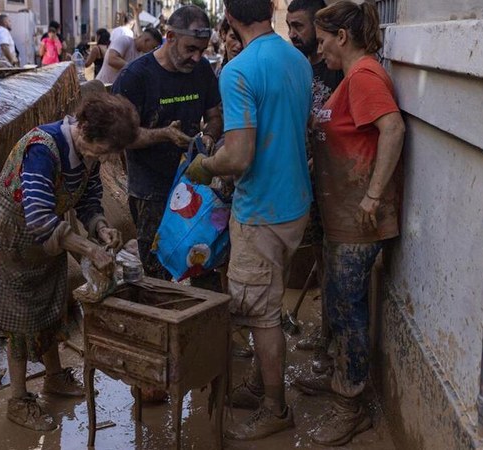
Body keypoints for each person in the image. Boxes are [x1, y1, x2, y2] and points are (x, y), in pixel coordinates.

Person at [184, 0, 313, 440]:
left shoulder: (238, 71)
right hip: (295, 202)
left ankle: (276, 407)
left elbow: (238, 155)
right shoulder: (296, 57)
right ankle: (261, 384)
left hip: (261, 209)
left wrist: (206, 165)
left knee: (261, 314)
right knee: (266, 300)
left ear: (231, 18)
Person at [0, 92, 142, 431]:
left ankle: (54, 377)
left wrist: (100, 227)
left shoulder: (88, 154)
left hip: (48, 236)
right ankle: (19, 399)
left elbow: (89, 199)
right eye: (105, 149)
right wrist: (88, 249)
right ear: (84, 128)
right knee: (20, 317)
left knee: (51, 304)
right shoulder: (43, 148)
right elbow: (38, 215)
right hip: (12, 235)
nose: (106, 157)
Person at [292, 1, 405, 446]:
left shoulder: (362, 77)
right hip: (343, 216)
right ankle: (342, 377)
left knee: (349, 310)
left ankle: (350, 405)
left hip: (360, 218)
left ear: (342, 37)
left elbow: (392, 129)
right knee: (340, 302)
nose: (319, 50)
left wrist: (374, 195)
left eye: (322, 40)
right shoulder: (352, 77)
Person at [112, 5, 222, 285]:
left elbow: (214, 115)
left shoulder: (202, 72)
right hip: (151, 191)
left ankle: (203, 323)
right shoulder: (135, 76)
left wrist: (208, 135)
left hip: (194, 184)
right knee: (158, 270)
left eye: (202, 49)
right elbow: (119, 137)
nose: (196, 57)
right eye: (190, 49)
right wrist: (164, 135)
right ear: (169, 36)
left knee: (203, 263)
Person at [286, 0, 345, 375]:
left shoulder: (338, 70)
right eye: (289, 26)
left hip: (336, 184)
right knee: (321, 259)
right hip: (310, 181)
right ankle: (325, 335)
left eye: (300, 27)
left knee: (335, 266)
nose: (293, 34)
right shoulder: (300, 67)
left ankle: (334, 346)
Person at [95, 27, 162, 84]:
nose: (152, 50)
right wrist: (135, 68)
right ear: (146, 40)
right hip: (103, 86)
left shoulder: (142, 55)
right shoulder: (124, 40)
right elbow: (112, 59)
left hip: (115, 91)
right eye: (153, 47)